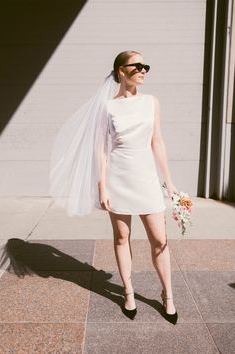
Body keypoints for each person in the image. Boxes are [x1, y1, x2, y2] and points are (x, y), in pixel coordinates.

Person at [49, 50, 179, 324]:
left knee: (160, 240)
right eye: (137, 66)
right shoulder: (107, 107)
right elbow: (101, 150)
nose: (143, 70)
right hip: (118, 178)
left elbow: (158, 142)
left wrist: (169, 182)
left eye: (146, 66)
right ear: (122, 71)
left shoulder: (152, 102)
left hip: (145, 178)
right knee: (121, 238)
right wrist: (102, 186)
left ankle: (168, 294)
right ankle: (128, 292)